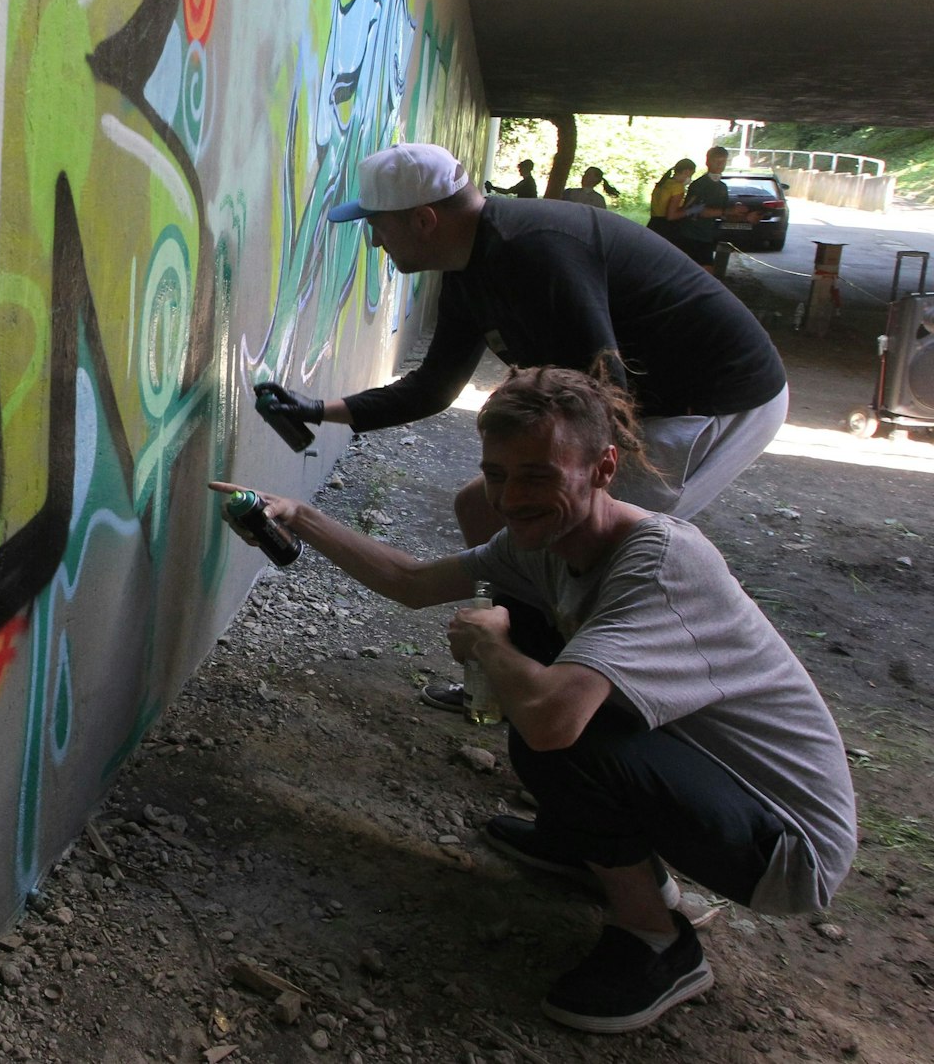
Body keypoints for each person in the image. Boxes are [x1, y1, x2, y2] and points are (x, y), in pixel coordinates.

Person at [214, 365, 857, 1035]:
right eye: (497, 473)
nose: (511, 497)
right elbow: (410, 580)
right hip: (716, 788)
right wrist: (300, 516)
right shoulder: (550, 541)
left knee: (554, 726)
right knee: (550, 682)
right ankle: (617, 863)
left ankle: (660, 942)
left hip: (787, 846)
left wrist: (493, 644)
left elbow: (554, 722)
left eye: (539, 476)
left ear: (603, 468)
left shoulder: (658, 560)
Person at [257, 141, 789, 709]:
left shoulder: (536, 250)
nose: (375, 240)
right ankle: (510, 677)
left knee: (582, 539)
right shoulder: (467, 267)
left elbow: (604, 382)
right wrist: (318, 410)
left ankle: (570, 701)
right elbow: (434, 388)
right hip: (634, 401)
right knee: (484, 508)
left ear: (423, 219)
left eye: (378, 226)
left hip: (712, 403)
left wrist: (577, 491)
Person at [669, 146, 737, 273]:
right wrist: (728, 212)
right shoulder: (699, 185)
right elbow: (699, 211)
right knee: (702, 271)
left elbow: (724, 212)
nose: (720, 165)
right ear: (707, 162)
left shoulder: (722, 187)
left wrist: (745, 217)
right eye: (716, 161)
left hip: (708, 235)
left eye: (723, 161)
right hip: (692, 234)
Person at [646, 158, 694, 245]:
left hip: (653, 224)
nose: (690, 178)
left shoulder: (662, 183)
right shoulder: (677, 187)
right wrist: (691, 211)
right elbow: (671, 216)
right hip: (667, 228)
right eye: (691, 175)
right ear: (686, 171)